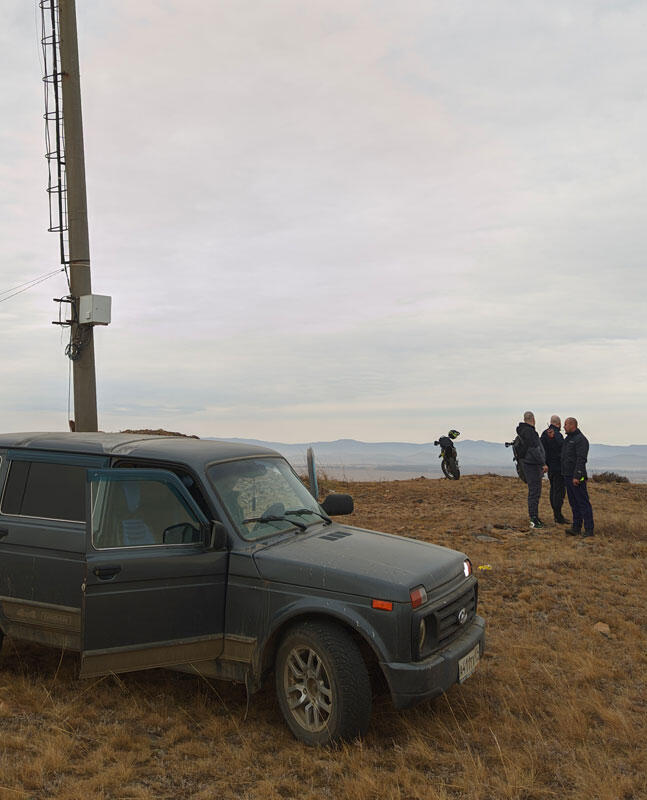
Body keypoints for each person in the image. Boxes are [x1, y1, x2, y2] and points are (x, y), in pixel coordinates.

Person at [561, 417, 594, 537]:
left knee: (583, 502)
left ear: (572, 425)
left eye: (565, 425)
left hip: (578, 477)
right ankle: (576, 527)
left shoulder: (581, 440)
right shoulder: (568, 439)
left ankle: (589, 529)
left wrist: (577, 476)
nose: (564, 427)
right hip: (567, 475)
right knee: (574, 503)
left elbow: (581, 459)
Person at [516, 411, 548, 528]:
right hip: (532, 466)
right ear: (533, 419)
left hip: (527, 465)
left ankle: (534, 518)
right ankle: (534, 520)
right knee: (534, 493)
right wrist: (543, 463)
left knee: (533, 492)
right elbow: (534, 450)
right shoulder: (530, 432)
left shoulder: (522, 431)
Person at [540, 415, 569, 524]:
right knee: (559, 492)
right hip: (559, 468)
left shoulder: (544, 434)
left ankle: (556, 515)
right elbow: (563, 449)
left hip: (550, 467)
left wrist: (544, 463)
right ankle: (558, 516)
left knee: (553, 490)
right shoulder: (557, 434)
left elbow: (541, 449)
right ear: (558, 423)